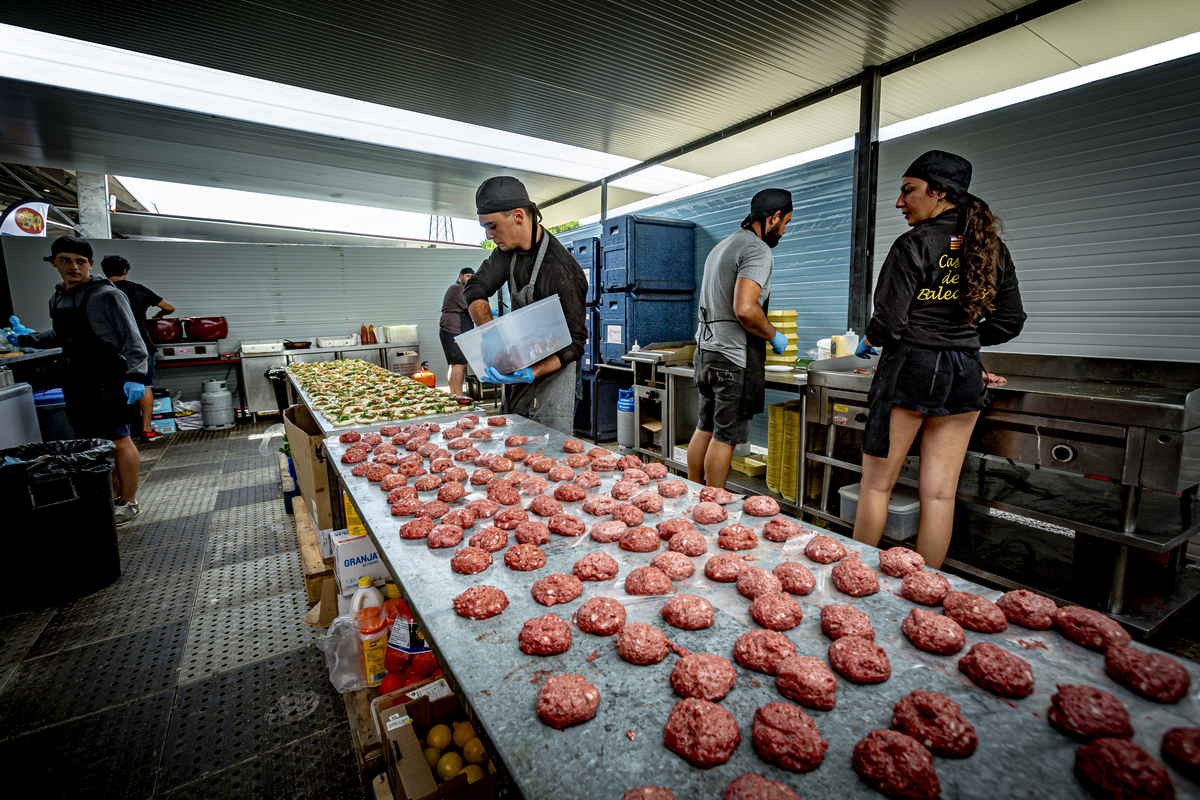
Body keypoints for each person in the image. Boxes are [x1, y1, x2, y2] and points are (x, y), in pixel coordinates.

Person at [852, 150, 1026, 568]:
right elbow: (1010, 320)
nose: (900, 202)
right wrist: (961, 341)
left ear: (940, 193)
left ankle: (851, 580)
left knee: (877, 487)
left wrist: (872, 337)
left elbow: (889, 323)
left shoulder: (914, 244)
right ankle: (924, 590)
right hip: (965, 372)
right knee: (940, 494)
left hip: (910, 368)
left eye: (908, 191)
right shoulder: (991, 247)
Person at [8, 237, 150, 524]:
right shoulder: (58, 297)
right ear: (53, 262)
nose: (73, 266)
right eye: (65, 260)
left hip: (107, 374)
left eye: (80, 261)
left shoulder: (108, 295)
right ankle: (110, 497)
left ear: (90, 264)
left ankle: (130, 501)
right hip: (74, 375)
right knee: (93, 443)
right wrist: (25, 338)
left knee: (119, 439)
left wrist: (136, 375)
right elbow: (59, 335)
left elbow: (132, 338)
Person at [463, 176, 588, 434]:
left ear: (518, 216)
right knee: (512, 446)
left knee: (547, 455)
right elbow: (475, 288)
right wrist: (491, 334)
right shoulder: (507, 254)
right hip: (520, 366)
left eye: (493, 226)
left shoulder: (564, 272)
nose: (488, 235)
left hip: (555, 378)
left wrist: (531, 373)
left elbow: (575, 344)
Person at [687, 189, 793, 489]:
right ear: (773, 218)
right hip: (733, 359)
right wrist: (774, 335)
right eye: (785, 222)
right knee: (725, 439)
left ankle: (694, 496)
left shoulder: (722, 246)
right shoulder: (757, 250)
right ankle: (712, 508)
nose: (784, 230)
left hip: (706, 353)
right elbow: (745, 309)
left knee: (705, 427)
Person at [101, 254, 175, 442]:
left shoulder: (99, 290)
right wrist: (158, 316)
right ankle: (146, 429)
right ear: (125, 271)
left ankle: (119, 431)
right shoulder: (136, 289)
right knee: (144, 385)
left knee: (114, 388)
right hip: (140, 346)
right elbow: (170, 308)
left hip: (110, 349)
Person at [438, 267, 476, 397]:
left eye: (472, 277)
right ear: (460, 276)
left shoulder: (458, 288)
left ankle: (454, 396)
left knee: (454, 364)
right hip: (453, 329)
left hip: (449, 330)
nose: (470, 279)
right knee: (460, 364)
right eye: (468, 276)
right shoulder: (457, 289)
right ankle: (459, 396)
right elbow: (471, 305)